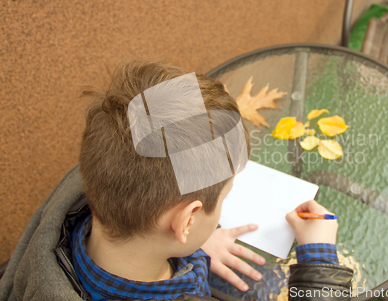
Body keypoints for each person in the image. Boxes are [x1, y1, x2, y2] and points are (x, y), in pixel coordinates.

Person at [0, 61, 353, 301]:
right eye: (226, 196)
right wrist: (319, 259)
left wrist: (192, 245)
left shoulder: (78, 204)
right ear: (185, 220)